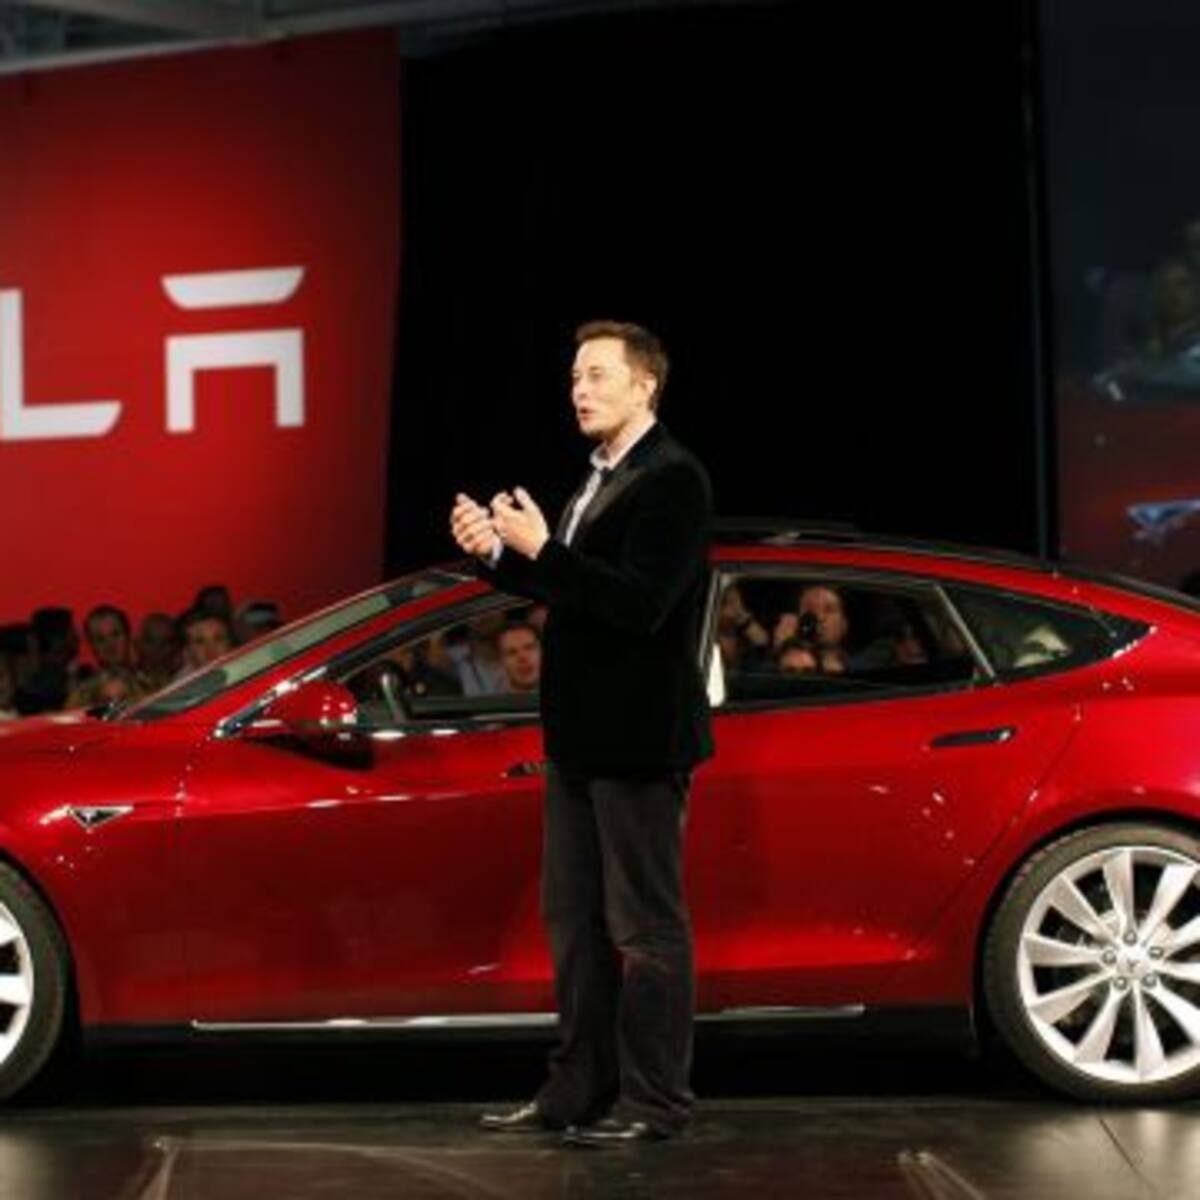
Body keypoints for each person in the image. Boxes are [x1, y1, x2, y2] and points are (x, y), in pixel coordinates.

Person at [450, 320, 713, 1146]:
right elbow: (571, 589)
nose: (580, 390)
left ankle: (656, 1102)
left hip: (637, 741)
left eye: (597, 374)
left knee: (646, 928)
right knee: (574, 924)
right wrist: (498, 555)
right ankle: (576, 1093)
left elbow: (640, 604)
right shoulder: (600, 476)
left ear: (645, 384)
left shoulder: (673, 479)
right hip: (578, 743)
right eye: (574, 377)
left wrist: (542, 550)